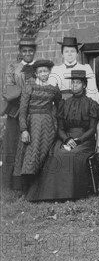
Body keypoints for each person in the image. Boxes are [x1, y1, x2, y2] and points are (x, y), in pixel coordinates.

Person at [27, 70, 99, 201]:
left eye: (78, 83)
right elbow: (60, 128)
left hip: (85, 139)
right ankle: (51, 194)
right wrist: (67, 139)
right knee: (56, 154)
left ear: (84, 85)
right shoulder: (64, 104)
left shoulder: (91, 104)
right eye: (73, 83)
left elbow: (93, 129)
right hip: (65, 137)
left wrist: (78, 140)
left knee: (70, 155)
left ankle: (70, 193)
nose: (74, 85)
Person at [13, 60, 61, 194]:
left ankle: (40, 188)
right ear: (36, 73)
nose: (43, 74)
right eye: (40, 71)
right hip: (31, 124)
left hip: (48, 126)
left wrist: (54, 119)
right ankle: (26, 188)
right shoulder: (30, 87)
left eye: (45, 71)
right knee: (30, 155)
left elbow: (59, 104)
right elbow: (22, 110)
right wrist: (24, 129)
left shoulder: (53, 88)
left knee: (43, 154)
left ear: (49, 72)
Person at [1, 37, 37, 190]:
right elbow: (8, 90)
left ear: (34, 52)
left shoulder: (39, 67)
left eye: (30, 51)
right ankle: (11, 184)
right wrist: (24, 92)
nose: (27, 53)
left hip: (34, 111)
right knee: (12, 145)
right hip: (15, 112)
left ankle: (30, 183)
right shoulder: (13, 68)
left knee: (30, 146)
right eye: (24, 51)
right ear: (20, 52)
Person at [50, 36, 98, 102]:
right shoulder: (56, 70)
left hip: (81, 103)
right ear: (62, 54)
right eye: (66, 51)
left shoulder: (86, 68)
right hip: (62, 104)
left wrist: (90, 106)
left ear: (77, 53)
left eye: (72, 51)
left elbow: (92, 89)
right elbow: (52, 91)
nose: (69, 54)